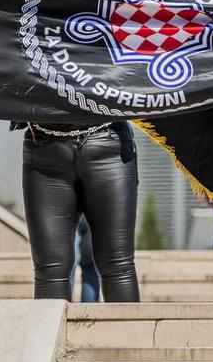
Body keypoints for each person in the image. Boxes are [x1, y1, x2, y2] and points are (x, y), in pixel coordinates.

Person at [20, 121, 139, 301]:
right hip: (42, 142)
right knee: (50, 268)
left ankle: (126, 323)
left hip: (108, 138)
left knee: (118, 264)